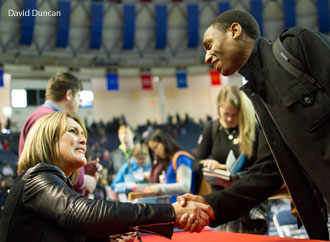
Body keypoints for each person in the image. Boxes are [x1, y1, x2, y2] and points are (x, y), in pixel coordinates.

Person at [178, 9, 330, 240]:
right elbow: (267, 173)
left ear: (235, 30)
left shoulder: (297, 45)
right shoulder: (261, 101)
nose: (207, 57)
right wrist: (210, 205)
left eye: (209, 44)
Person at [0, 112, 214, 242]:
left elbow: (69, 232)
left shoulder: (53, 181)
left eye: (83, 134)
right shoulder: (36, 177)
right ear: (48, 139)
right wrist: (170, 212)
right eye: (73, 132)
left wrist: (105, 237)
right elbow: (82, 214)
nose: (83, 139)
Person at [195, 84, 269, 234]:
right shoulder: (212, 128)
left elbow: (264, 168)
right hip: (222, 201)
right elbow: (197, 163)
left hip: (249, 200)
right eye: (225, 114)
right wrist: (210, 165)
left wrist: (235, 177)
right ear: (218, 110)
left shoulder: (254, 128)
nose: (229, 119)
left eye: (234, 114)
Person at [18, 72, 98, 196]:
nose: (79, 103)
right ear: (69, 95)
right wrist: (81, 181)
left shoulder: (43, 115)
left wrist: (81, 169)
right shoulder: (46, 118)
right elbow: (45, 170)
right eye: (78, 97)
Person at [144, 129, 195, 203]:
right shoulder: (172, 160)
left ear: (164, 142)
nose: (156, 153)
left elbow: (185, 187)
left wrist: (159, 188)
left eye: (156, 147)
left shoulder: (181, 158)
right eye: (153, 150)